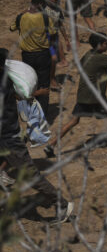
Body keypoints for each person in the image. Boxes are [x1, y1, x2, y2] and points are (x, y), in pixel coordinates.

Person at [0, 48, 73, 224]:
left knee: (31, 176)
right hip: (6, 136)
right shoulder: (6, 78)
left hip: (9, 139)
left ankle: (62, 204)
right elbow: (19, 96)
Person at [46, 33, 107, 156]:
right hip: (96, 97)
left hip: (83, 94)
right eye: (105, 43)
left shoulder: (88, 54)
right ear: (100, 45)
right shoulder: (101, 58)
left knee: (74, 121)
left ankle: (51, 144)